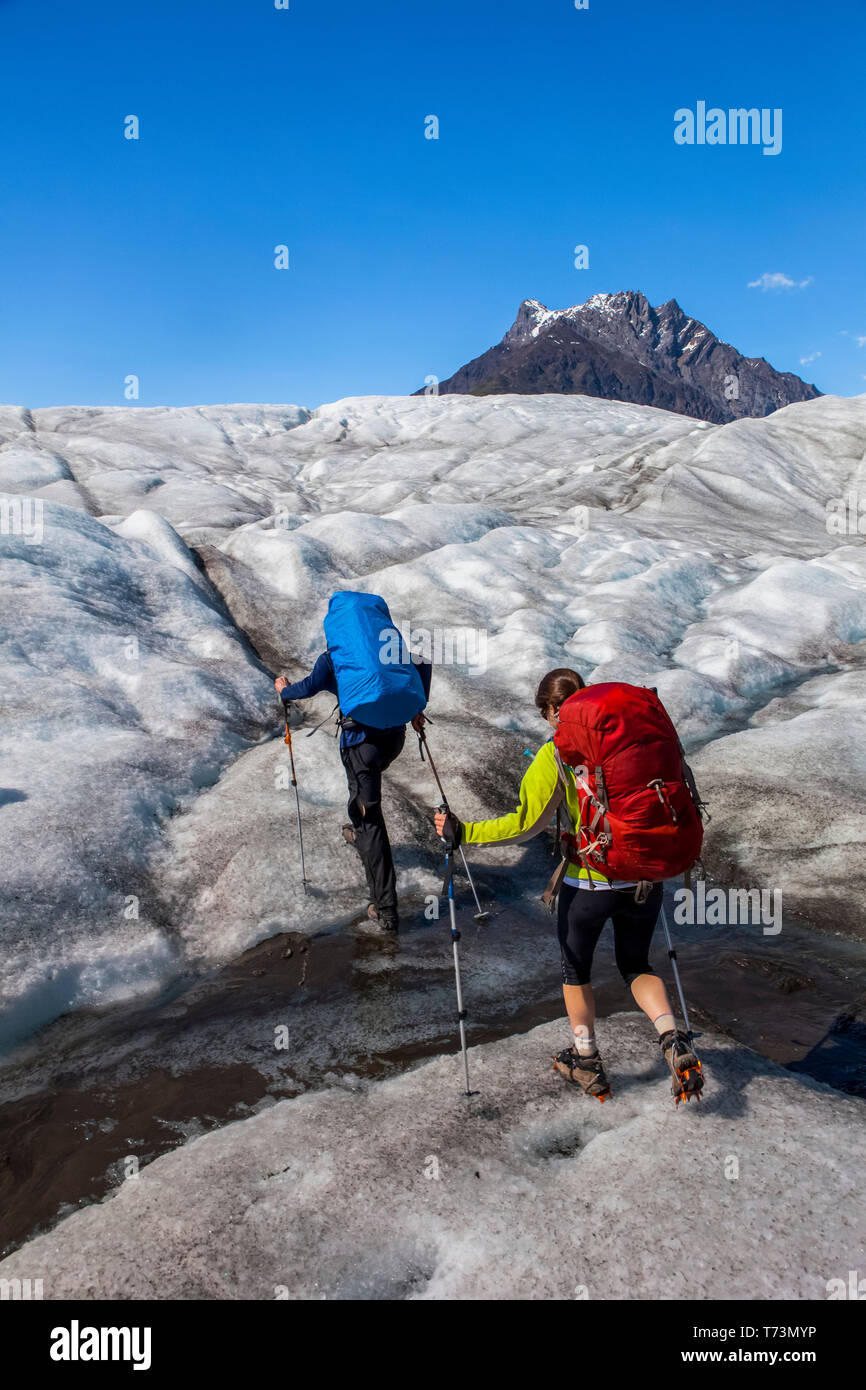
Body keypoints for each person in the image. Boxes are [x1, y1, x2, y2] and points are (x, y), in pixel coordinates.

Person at [434, 667, 702, 1101]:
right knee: (636, 965)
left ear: (553, 709)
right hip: (646, 878)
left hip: (589, 884)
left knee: (575, 971)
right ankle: (673, 1038)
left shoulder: (557, 752)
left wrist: (464, 832)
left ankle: (586, 1059)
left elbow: (525, 824)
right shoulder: (630, 739)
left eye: (547, 714)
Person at [275, 650, 431, 933]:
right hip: (393, 740)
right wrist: (419, 708)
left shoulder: (334, 657)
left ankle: (385, 909)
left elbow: (308, 687)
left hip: (361, 745)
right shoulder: (384, 648)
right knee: (363, 805)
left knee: (370, 820)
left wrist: (284, 691)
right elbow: (422, 662)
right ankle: (360, 834)